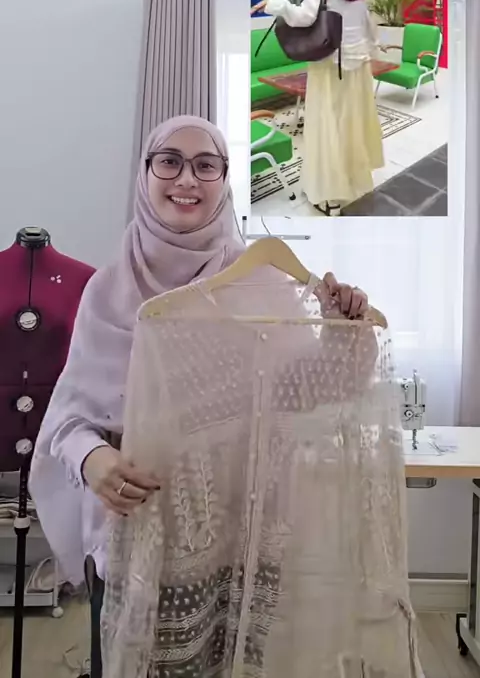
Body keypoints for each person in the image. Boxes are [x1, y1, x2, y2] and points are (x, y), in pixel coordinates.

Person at [29, 115, 370, 677]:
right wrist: (93, 459)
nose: (187, 179)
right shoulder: (107, 291)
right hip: (137, 534)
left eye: (205, 165)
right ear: (145, 173)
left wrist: (342, 332)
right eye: (169, 161)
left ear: (224, 179)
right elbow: (69, 417)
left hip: (243, 537)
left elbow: (309, 392)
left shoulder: (264, 286)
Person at [251, 0, 385, 216]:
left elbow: (305, 17)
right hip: (358, 63)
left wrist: (276, 4)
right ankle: (354, 182)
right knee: (351, 125)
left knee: (327, 126)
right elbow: (365, 18)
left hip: (329, 65)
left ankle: (328, 195)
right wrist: (374, 45)